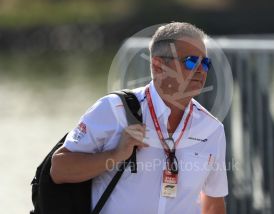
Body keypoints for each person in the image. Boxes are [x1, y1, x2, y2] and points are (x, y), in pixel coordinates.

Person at [50, 22, 228, 214]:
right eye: (191, 61)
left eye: (205, 62)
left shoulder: (212, 128)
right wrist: (115, 156)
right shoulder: (112, 109)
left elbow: (212, 203)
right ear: (158, 65)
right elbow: (59, 169)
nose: (201, 69)